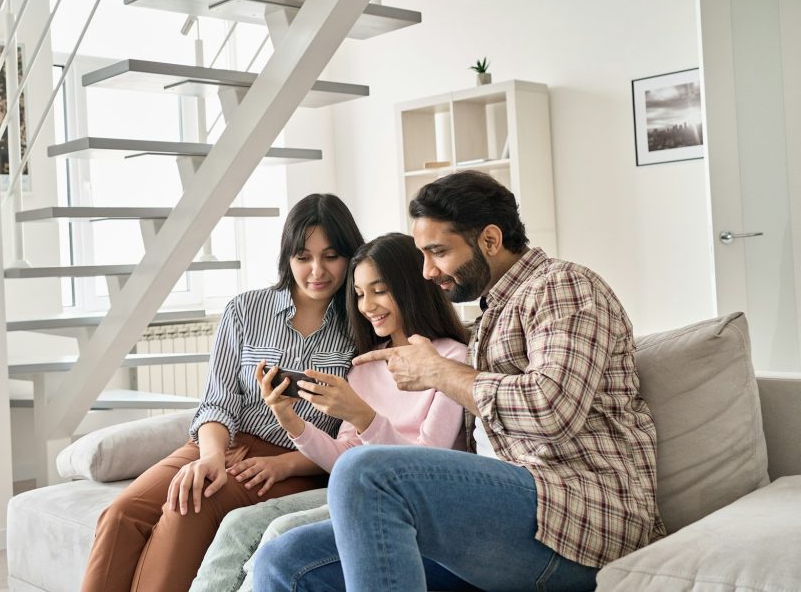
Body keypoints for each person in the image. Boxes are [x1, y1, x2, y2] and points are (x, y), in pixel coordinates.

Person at [253, 171, 666, 591]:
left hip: (579, 516)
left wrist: (436, 371)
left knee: (366, 471)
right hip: (502, 517)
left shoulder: (563, 287)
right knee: (283, 558)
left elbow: (550, 409)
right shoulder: (491, 316)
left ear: (489, 240)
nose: (428, 272)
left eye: (438, 252)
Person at [80, 193, 364, 592]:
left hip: (296, 462)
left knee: (189, 507)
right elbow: (217, 401)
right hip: (221, 443)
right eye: (303, 257)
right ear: (288, 258)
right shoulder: (245, 310)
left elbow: (354, 438)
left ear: (350, 257)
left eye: (331, 256)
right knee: (120, 514)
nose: (317, 270)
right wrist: (211, 456)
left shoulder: (363, 325)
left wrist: (286, 464)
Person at [190, 233, 470, 592]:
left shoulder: (450, 360)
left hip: (415, 503)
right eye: (359, 293)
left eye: (379, 290)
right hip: (356, 489)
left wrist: (364, 417)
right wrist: (289, 418)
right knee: (238, 525)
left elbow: (426, 466)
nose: (367, 305)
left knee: (279, 532)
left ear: (411, 287)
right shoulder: (364, 368)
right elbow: (343, 459)